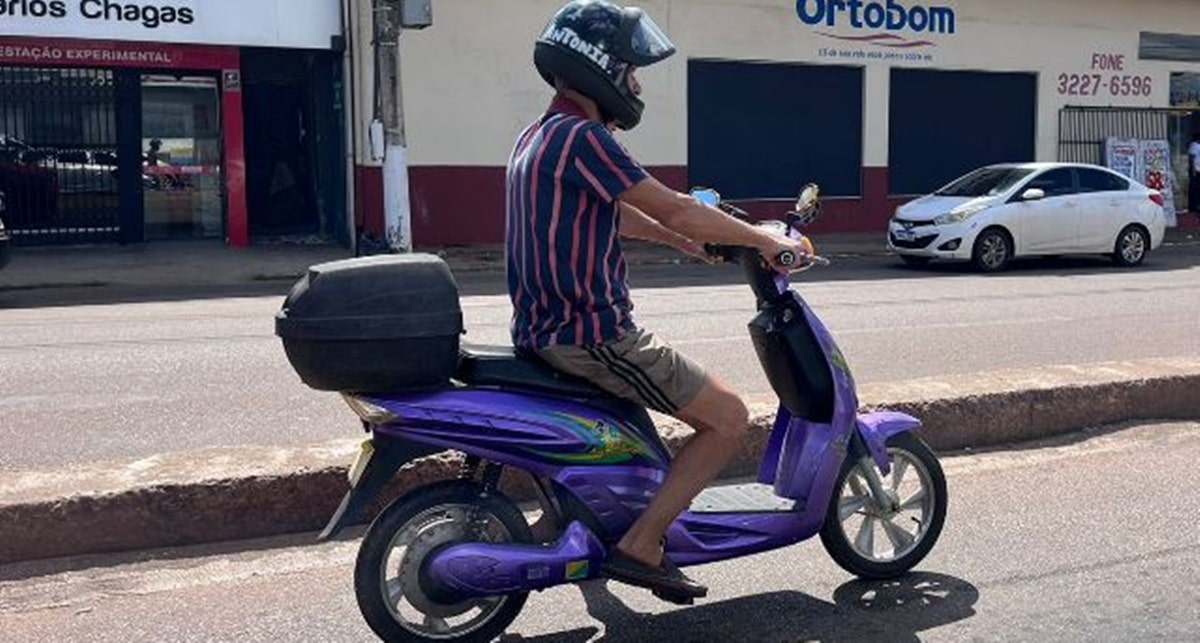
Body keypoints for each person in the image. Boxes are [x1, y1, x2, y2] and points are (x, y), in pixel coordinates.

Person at [506, 0, 808, 600]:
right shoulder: (584, 137)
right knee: (727, 417)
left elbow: (620, 215)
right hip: (591, 334)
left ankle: (589, 518)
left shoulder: (540, 135)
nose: (635, 83)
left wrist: (690, 243)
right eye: (631, 69)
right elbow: (669, 202)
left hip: (545, 330)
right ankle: (642, 544)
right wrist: (762, 239)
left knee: (638, 433)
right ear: (601, 67)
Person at [1189, 132, 1200, 215]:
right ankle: (1193, 206)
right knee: (1195, 189)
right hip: (1196, 171)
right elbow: (1192, 159)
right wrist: (1193, 171)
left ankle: (1196, 205)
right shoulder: (1194, 145)